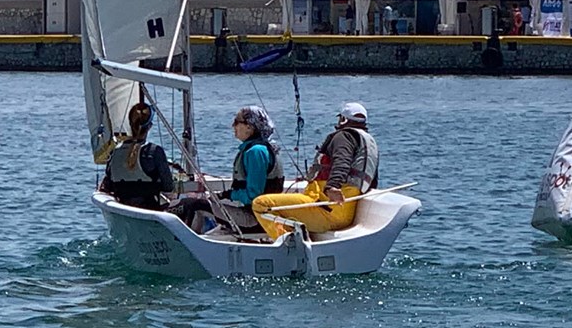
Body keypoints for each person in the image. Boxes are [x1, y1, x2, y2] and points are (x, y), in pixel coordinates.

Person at [252, 101, 379, 237]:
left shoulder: (344, 137)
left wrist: (332, 187)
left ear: (343, 119)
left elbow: (342, 162)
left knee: (261, 204)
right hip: (342, 212)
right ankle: (293, 238)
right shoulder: (367, 142)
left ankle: (288, 245)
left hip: (328, 210)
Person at [171, 105, 284, 233]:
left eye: (236, 122)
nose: (233, 126)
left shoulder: (255, 152)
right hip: (263, 215)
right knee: (201, 203)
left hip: (255, 219)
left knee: (192, 205)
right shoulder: (264, 148)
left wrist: (227, 195)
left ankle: (185, 242)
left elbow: (253, 196)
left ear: (249, 127)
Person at [102, 102, 174, 209]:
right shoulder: (155, 152)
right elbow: (168, 187)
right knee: (195, 204)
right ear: (149, 126)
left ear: (130, 124)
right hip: (150, 209)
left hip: (122, 206)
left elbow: (109, 183)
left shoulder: (114, 151)